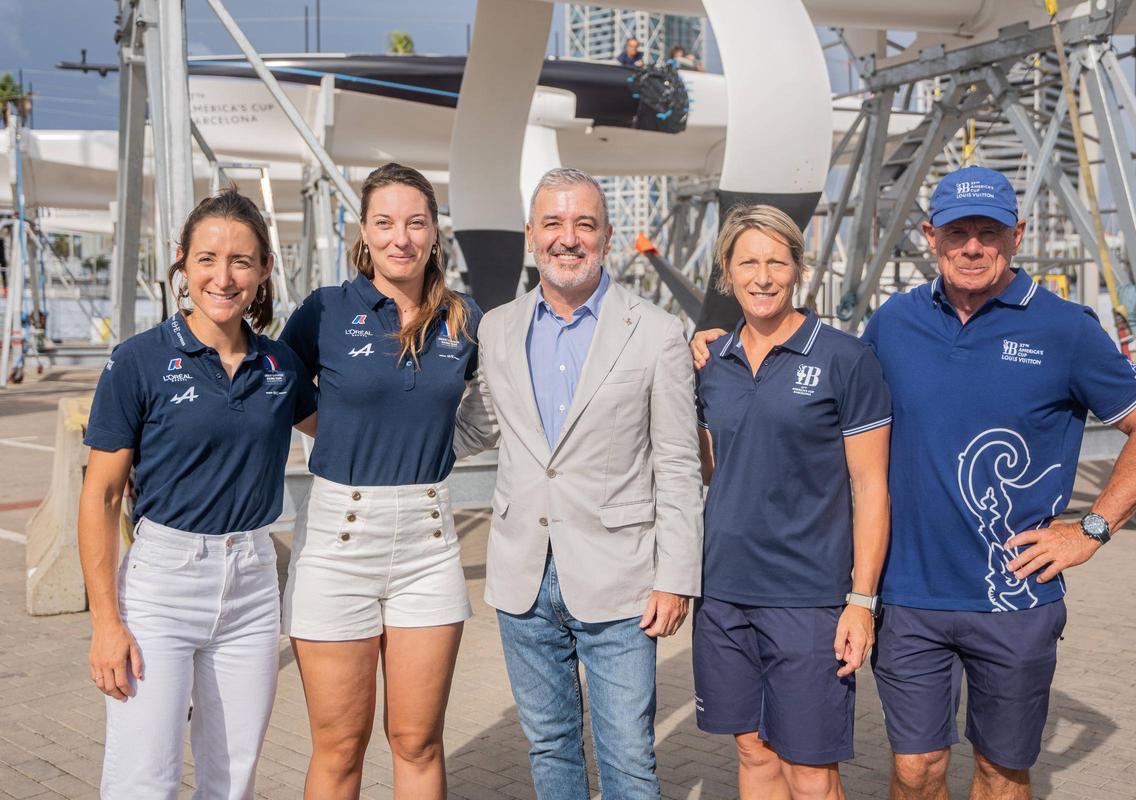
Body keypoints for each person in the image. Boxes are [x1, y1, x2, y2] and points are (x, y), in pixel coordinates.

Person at [691, 166, 1136, 800]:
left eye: (989, 232)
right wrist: (720, 344)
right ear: (931, 236)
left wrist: (1090, 529)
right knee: (915, 771)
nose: (972, 247)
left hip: (1013, 597)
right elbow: (815, 388)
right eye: (957, 233)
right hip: (908, 598)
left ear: (1017, 235)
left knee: (1001, 772)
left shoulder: (1065, 328)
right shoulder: (894, 323)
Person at [455, 167, 703, 799]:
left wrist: (676, 578)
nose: (569, 238)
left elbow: (677, 462)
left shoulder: (656, 333)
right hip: (521, 577)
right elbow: (477, 429)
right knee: (550, 748)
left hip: (622, 579)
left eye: (584, 224)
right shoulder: (497, 328)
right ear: (532, 235)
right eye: (554, 224)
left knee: (628, 760)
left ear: (607, 236)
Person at [78, 188, 318, 799]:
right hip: (162, 584)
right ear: (181, 263)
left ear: (264, 269)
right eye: (208, 258)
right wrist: (106, 622)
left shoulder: (281, 365)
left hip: (253, 581)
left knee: (232, 779)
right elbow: (102, 497)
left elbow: (349, 432)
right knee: (143, 777)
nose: (224, 276)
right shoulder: (137, 361)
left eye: (242, 261)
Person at [279, 163, 479, 799]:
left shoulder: (462, 318)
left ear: (434, 233)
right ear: (364, 233)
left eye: (415, 222)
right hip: (339, 540)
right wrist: (337, 430)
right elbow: (277, 387)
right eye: (385, 223)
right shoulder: (327, 310)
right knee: (340, 747)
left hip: (428, 540)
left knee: (417, 741)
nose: (401, 238)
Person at [693, 205, 890, 800]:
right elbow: (709, 469)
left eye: (777, 261)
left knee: (809, 770)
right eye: (747, 261)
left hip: (809, 598)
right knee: (753, 751)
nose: (762, 276)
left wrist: (861, 601)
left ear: (799, 269)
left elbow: (872, 487)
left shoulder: (844, 359)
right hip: (722, 592)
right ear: (725, 272)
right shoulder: (710, 364)